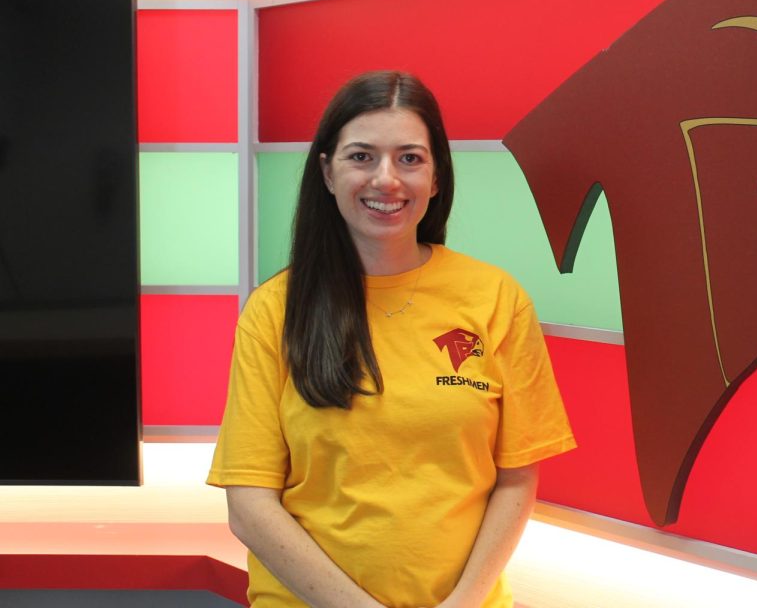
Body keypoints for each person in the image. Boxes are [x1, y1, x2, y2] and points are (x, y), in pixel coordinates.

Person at [207, 71, 576, 608]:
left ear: (437, 178)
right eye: (361, 156)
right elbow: (250, 502)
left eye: (410, 158)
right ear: (327, 172)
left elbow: (516, 478)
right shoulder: (275, 311)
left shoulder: (495, 298)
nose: (387, 179)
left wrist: (465, 602)